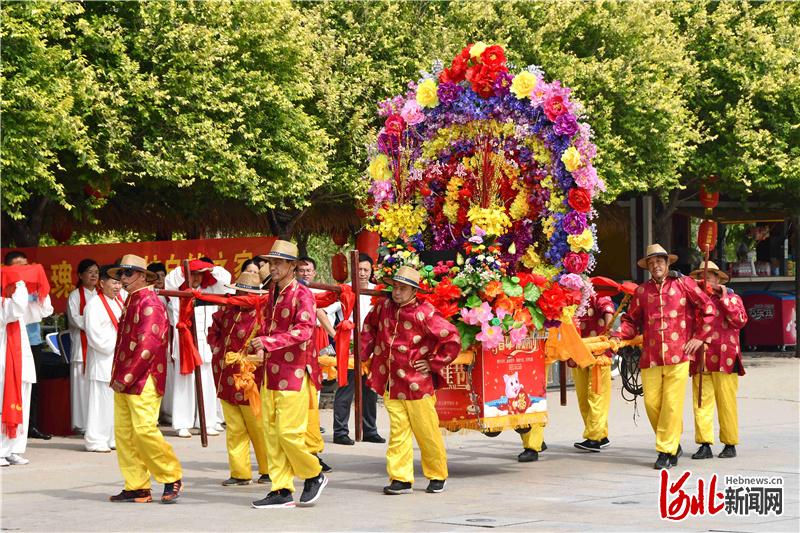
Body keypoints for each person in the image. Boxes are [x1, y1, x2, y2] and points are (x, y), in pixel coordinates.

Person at [612, 244, 715, 470]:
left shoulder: (683, 284)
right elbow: (630, 320)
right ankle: (672, 439)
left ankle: (666, 450)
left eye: (659, 261)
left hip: (679, 355)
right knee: (651, 404)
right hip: (650, 357)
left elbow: (708, 308)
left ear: (668, 264)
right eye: (651, 262)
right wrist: (619, 336)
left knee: (671, 404)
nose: (656, 265)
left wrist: (700, 337)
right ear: (648, 267)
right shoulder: (642, 291)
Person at [361, 265, 461, 495]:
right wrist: (364, 354)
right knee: (398, 431)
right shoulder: (383, 307)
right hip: (391, 383)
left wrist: (433, 363)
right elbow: (368, 327)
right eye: (395, 287)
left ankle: (437, 475)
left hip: (418, 384)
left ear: (414, 291)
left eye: (402, 288)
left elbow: (452, 338)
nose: (397, 292)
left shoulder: (425, 313)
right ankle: (401, 478)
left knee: (427, 432)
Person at [249, 240, 327, 509]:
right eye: (271, 262)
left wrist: (268, 342)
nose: (273, 266)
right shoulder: (273, 291)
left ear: (293, 266)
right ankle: (281, 489)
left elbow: (306, 330)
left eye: (279, 262)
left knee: (288, 434)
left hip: (293, 373)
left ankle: (313, 473)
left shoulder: (302, 294)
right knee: (271, 433)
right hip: (271, 373)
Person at [107, 254, 182, 504]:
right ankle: (137, 485)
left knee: (144, 431)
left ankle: (171, 476)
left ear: (141, 275)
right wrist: (119, 375)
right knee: (125, 433)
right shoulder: (132, 300)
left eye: (127, 274)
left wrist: (126, 375)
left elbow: (147, 346)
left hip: (143, 377)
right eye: (120, 275)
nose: (122, 280)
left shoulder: (150, 302)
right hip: (126, 377)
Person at [207, 271, 270, 486]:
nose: (241, 295)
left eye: (246, 292)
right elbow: (214, 330)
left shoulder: (263, 313)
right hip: (225, 374)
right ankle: (240, 472)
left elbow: (268, 339)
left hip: (250, 376)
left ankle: (268, 469)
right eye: (239, 291)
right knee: (234, 427)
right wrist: (216, 346)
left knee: (257, 425)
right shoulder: (227, 310)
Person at [164, 259, 230, 437]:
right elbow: (170, 279)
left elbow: (226, 281)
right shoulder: (178, 291)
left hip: (205, 342)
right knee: (184, 382)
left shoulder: (211, 290)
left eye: (201, 274)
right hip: (185, 341)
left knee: (208, 383)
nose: (197, 277)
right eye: (193, 273)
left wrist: (211, 268)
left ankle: (207, 421)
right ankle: (182, 423)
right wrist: (188, 269)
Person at [688, 261, 747, 460]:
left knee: (726, 402)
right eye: (702, 276)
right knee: (701, 402)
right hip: (701, 356)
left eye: (710, 275)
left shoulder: (733, 297)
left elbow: (740, 320)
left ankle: (730, 443)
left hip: (726, 356)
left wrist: (723, 298)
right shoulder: (694, 300)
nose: (706, 280)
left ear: (718, 279)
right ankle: (704, 443)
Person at [333, 253, 385, 446]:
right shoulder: (344, 289)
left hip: (371, 348)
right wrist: (337, 334)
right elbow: (320, 310)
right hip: (350, 347)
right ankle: (340, 431)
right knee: (346, 390)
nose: (362, 273)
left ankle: (370, 430)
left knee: (370, 391)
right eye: (359, 269)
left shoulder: (378, 291)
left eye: (365, 270)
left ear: (371, 271)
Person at [4, 251, 54, 441]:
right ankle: (9, 429)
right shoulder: (6, 290)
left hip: (32, 342)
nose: (23, 270)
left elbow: (45, 311)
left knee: (31, 386)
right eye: (18, 265)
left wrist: (41, 290)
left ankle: (30, 425)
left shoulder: (33, 288)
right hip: (10, 343)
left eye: (26, 265)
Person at [83, 265, 124, 452]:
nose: (117, 286)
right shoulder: (94, 304)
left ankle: (110, 437)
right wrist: (119, 343)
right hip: (103, 360)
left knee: (113, 402)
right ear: (102, 283)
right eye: (114, 282)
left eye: (119, 283)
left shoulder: (118, 302)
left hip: (116, 360)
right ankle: (95, 440)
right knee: (100, 402)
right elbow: (95, 336)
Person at [572, 293, 616, 452]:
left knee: (596, 396)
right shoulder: (566, 296)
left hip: (598, 355)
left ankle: (594, 438)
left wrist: (610, 329)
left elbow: (607, 307)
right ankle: (601, 435)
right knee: (583, 399)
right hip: (577, 354)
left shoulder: (594, 293)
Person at [0, 277, 31, 466]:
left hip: (20, 365)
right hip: (5, 364)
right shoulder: (5, 304)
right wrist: (21, 283)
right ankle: (1, 450)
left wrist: (41, 290)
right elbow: (17, 308)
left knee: (21, 407)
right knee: (3, 406)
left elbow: (43, 311)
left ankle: (14, 449)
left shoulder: (14, 304)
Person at [66, 258, 100, 434]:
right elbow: (75, 319)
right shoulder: (75, 295)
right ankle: (82, 424)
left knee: (96, 386)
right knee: (81, 387)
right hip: (81, 348)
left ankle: (96, 423)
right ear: (80, 275)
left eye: (96, 271)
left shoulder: (102, 294)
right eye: (90, 271)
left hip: (98, 347)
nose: (94, 275)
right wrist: (97, 325)